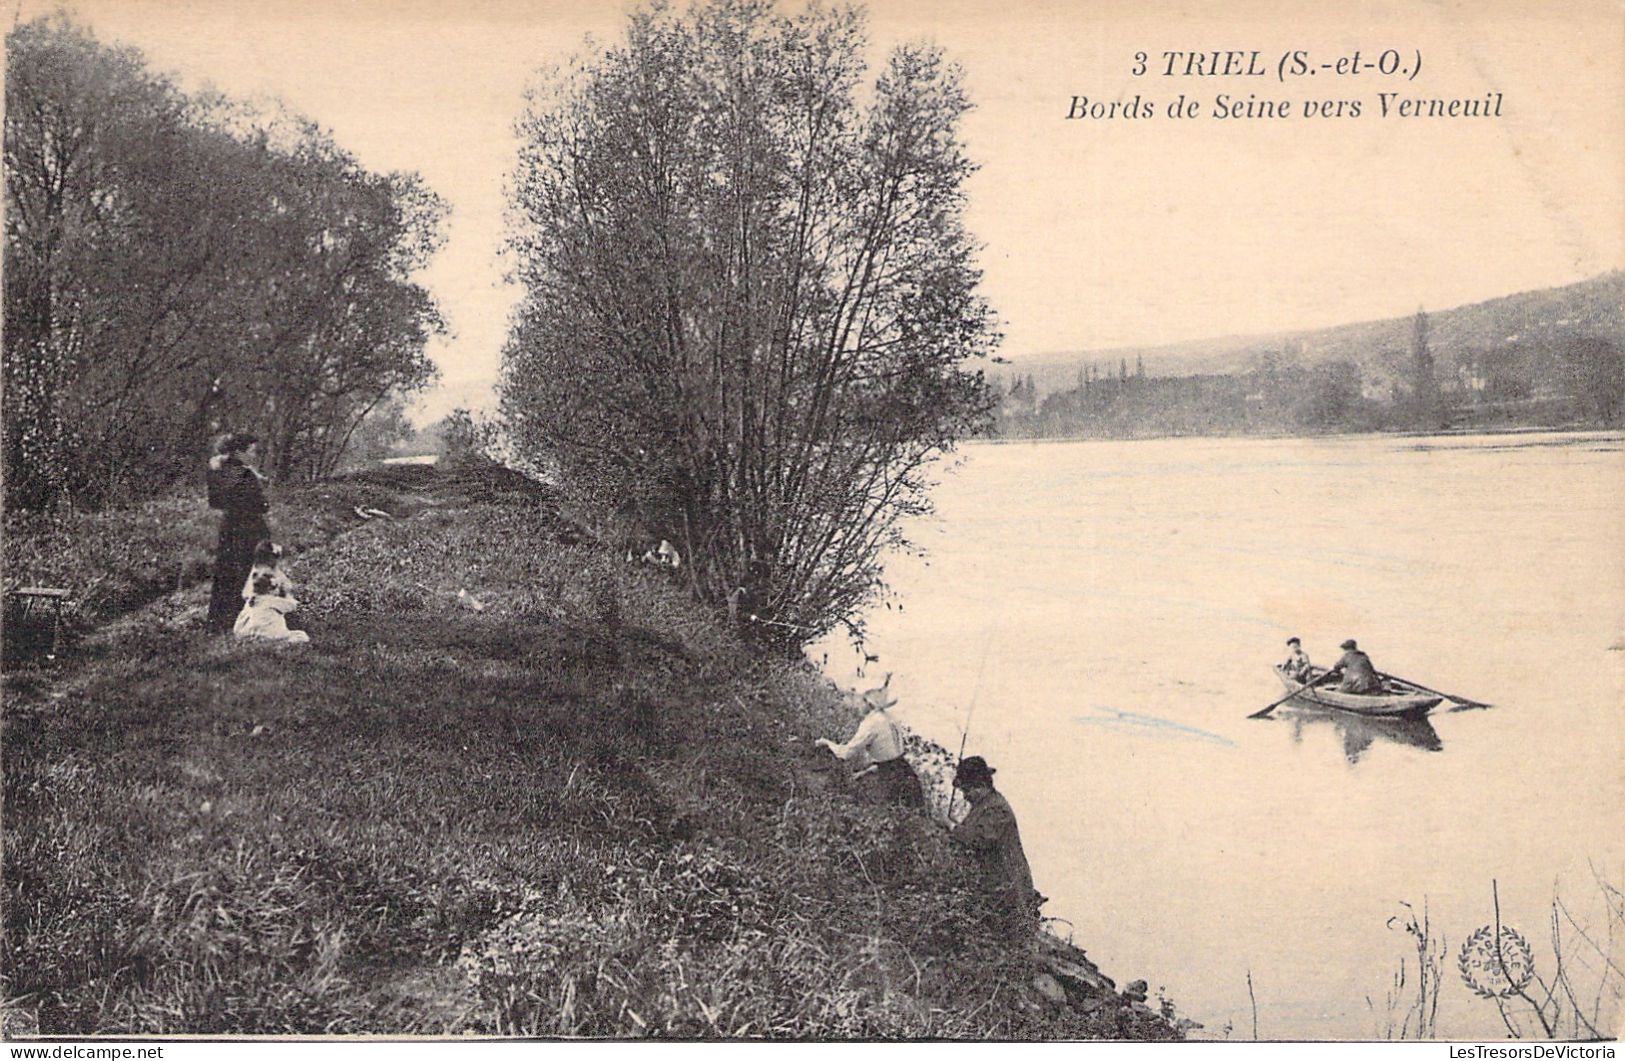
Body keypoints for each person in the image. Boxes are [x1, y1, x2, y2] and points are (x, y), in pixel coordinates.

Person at [949, 756, 1042, 923]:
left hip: (1009, 892)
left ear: (981, 786)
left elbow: (979, 840)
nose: (965, 797)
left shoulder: (997, 809)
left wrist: (951, 831)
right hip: (996, 889)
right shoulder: (984, 806)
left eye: (967, 790)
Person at [815, 676, 924, 808]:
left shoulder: (871, 724)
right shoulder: (890, 718)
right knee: (917, 816)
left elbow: (844, 754)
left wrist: (826, 742)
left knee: (895, 817)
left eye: (861, 701)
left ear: (869, 703)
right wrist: (865, 772)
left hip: (893, 783)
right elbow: (891, 758)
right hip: (908, 773)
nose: (858, 705)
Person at [207, 433, 270, 633]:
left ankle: (220, 623)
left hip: (229, 528)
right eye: (252, 451)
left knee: (226, 574)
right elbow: (261, 505)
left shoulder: (218, 470)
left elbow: (214, 502)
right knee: (250, 573)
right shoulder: (245, 474)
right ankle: (249, 622)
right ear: (239, 452)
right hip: (249, 529)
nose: (255, 455)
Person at [233, 541, 310, 645]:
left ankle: (250, 635)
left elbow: (287, 586)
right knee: (301, 636)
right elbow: (292, 603)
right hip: (271, 610)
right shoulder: (260, 573)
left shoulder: (260, 574)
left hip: (256, 614)